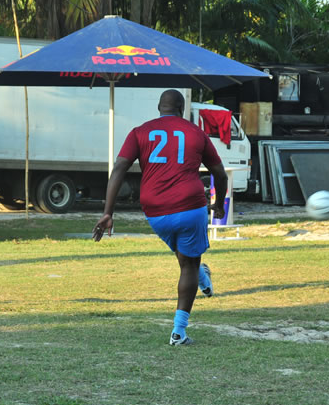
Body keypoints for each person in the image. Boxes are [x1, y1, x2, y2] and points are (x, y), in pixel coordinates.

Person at [93, 89, 228, 345]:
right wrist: (218, 204)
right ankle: (179, 332)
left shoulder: (139, 132)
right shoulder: (196, 133)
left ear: (158, 107)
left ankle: (201, 275)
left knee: (185, 255)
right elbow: (219, 174)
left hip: (155, 211)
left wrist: (108, 212)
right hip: (190, 204)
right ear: (182, 107)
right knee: (188, 263)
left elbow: (119, 167)